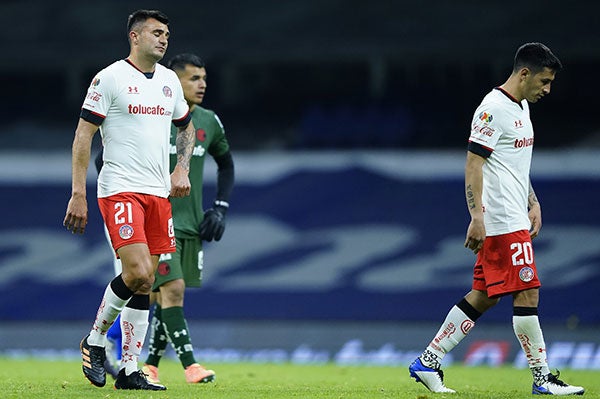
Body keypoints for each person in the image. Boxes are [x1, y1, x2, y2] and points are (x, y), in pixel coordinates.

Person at [408, 43, 585, 396]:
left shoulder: (521, 107)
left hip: (516, 213)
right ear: (524, 74)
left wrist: (533, 201)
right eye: (545, 81)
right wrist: (477, 216)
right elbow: (474, 165)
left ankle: (427, 361)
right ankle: (542, 379)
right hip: (501, 218)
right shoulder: (491, 110)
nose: (547, 90)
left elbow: (513, 165)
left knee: (484, 295)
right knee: (527, 289)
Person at [63, 9, 196, 391]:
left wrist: (182, 169)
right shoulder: (110, 78)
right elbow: (83, 136)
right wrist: (78, 192)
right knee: (137, 273)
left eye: (167, 33)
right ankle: (94, 340)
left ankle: (129, 368)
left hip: (158, 193)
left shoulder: (170, 81)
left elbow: (186, 127)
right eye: (156, 32)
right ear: (135, 37)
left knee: (146, 282)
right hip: (120, 188)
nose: (164, 39)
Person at [99, 53, 234, 385]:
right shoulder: (151, 115)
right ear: (173, 81)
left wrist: (219, 206)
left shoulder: (208, 121)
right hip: (150, 217)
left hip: (190, 223)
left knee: (161, 297)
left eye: (204, 78)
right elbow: (105, 157)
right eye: (193, 78)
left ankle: (148, 363)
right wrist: (125, 203)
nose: (202, 84)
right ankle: (190, 366)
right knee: (169, 291)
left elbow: (226, 164)